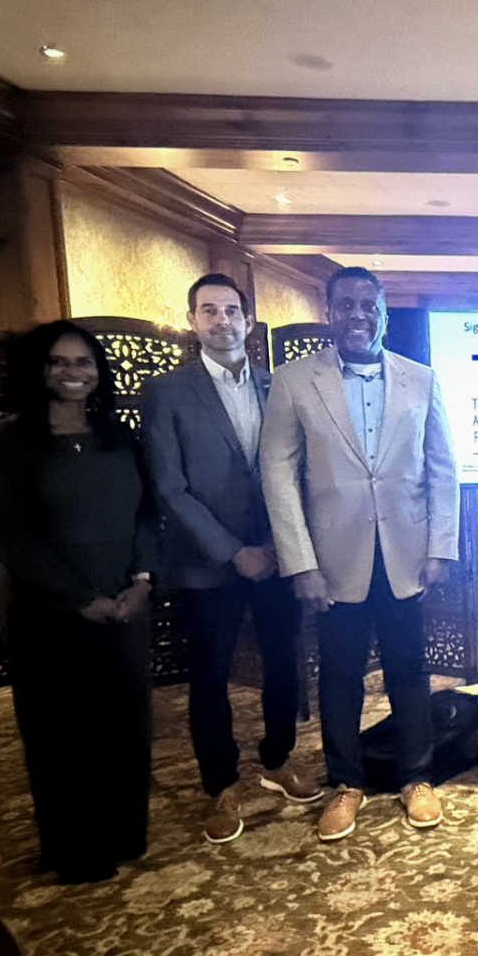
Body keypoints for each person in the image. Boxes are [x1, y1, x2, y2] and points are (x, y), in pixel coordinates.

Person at [260, 266, 459, 842]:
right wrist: (300, 562)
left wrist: (440, 548)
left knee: (409, 671)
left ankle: (417, 778)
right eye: (346, 304)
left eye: (368, 305)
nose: (357, 315)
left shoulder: (421, 379)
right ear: (329, 311)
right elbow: (277, 475)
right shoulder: (294, 381)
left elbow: (442, 469)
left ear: (383, 313)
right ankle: (345, 783)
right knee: (341, 675)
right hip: (332, 560)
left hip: (406, 555)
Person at [0, 322, 159, 884]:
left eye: (83, 362)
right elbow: (10, 535)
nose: (72, 372)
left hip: (125, 600)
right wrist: (79, 598)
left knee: (126, 721)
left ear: (99, 372)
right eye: (58, 362)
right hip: (45, 606)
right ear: (38, 370)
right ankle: (75, 848)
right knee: (61, 729)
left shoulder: (118, 437)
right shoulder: (4, 442)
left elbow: (145, 514)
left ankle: (124, 832)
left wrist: (142, 580)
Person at [142, 273, 319, 846]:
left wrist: (273, 544)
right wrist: (232, 550)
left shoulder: (278, 386)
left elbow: (297, 471)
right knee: (211, 676)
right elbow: (168, 488)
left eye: (232, 311)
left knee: (284, 662)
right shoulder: (167, 392)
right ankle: (220, 783)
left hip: (275, 552)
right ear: (192, 321)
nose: (222, 321)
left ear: (249, 321)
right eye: (209, 311)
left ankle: (278, 759)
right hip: (207, 562)